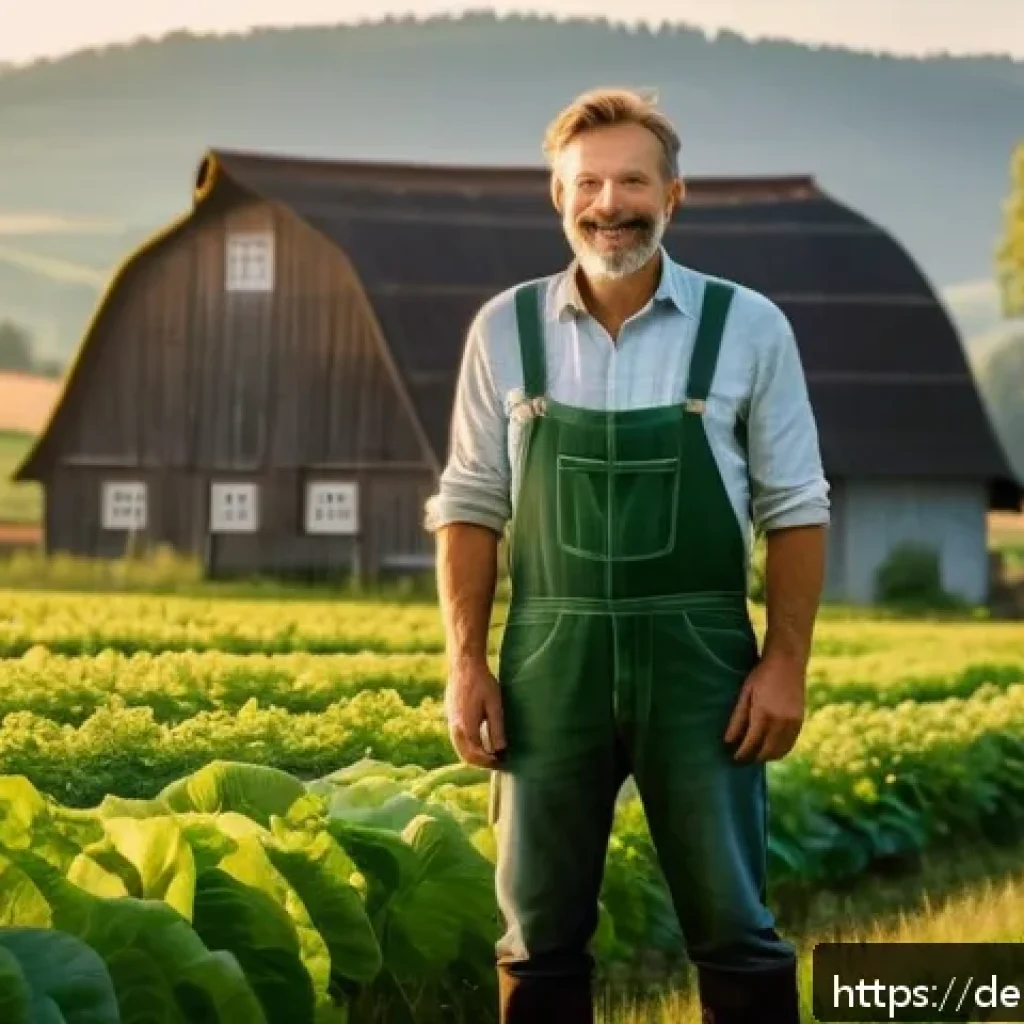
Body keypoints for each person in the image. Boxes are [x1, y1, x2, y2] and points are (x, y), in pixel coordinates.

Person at [422, 86, 830, 1024]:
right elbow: (472, 506)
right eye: (589, 184)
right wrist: (466, 665)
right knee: (537, 928)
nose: (611, 204)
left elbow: (797, 507)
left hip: (704, 666)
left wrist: (786, 663)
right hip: (546, 666)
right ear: (558, 198)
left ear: (673, 195)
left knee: (734, 917)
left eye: (634, 182)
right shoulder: (504, 329)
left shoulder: (749, 327)